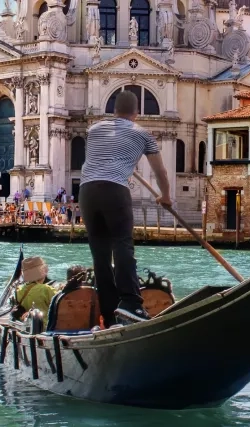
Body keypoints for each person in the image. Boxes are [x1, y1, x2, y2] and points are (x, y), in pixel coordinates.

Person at [80, 90, 172, 324]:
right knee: (122, 245)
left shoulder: (94, 130)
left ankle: (110, 314)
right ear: (136, 112)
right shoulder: (143, 134)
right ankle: (131, 303)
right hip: (114, 190)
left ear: (113, 111)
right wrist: (166, 196)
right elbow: (160, 171)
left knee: (100, 254)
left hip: (87, 191)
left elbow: (101, 159)